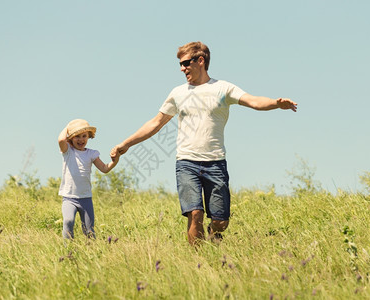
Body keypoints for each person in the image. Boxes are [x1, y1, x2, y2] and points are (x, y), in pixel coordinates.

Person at [111, 41, 297, 246]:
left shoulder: (223, 88)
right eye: (180, 64)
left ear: (200, 61)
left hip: (215, 162)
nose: (182, 68)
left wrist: (276, 104)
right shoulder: (178, 93)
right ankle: (197, 264)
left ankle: (213, 235)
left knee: (220, 221)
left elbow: (253, 101)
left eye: (186, 63)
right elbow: (156, 123)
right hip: (186, 162)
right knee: (195, 213)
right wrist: (126, 144)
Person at [58, 119, 119, 239]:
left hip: (85, 198)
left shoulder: (91, 154)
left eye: (84, 136)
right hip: (69, 198)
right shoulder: (68, 152)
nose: (81, 140)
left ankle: (91, 251)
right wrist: (69, 126)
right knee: (68, 221)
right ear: (70, 138)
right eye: (77, 136)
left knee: (89, 231)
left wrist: (115, 161)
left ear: (89, 136)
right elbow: (61, 139)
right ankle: (67, 250)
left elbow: (104, 169)